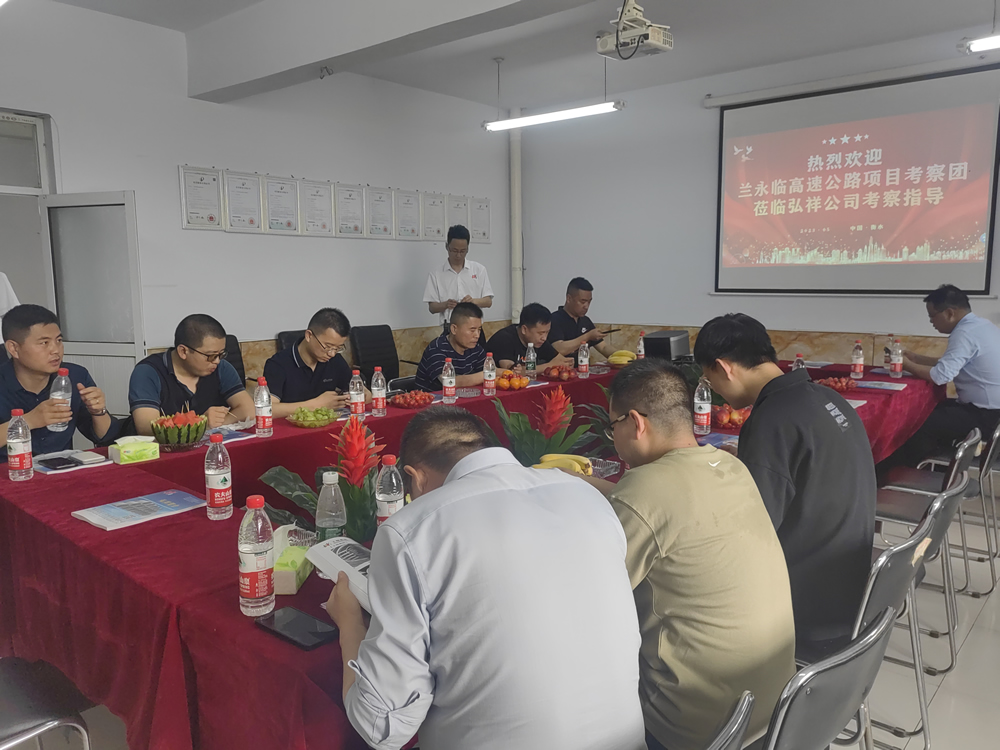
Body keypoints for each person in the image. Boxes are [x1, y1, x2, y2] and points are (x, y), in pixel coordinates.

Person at [325, 406, 646, 750]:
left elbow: (383, 727)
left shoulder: (412, 529)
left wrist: (350, 625)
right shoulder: (587, 496)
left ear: (415, 478)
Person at [576, 360, 796, 750]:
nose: (614, 439)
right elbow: (666, 505)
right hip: (779, 712)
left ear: (635, 423)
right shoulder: (729, 465)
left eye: (613, 427)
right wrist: (594, 485)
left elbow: (588, 598)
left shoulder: (645, 491)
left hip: (699, 727)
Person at [694, 313, 876, 660]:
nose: (712, 388)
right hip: (851, 585)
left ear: (724, 367)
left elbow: (753, 531)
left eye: (708, 378)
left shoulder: (771, 420)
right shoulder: (824, 397)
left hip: (807, 606)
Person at [883, 284, 1000, 471]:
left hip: (986, 416)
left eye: (932, 316)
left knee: (915, 422)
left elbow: (940, 376)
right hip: (991, 412)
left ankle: (913, 474)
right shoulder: (982, 326)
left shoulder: (964, 333)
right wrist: (917, 358)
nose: (931, 322)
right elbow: (954, 364)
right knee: (927, 409)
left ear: (950, 313)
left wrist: (904, 364)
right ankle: (933, 467)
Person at [1, 304, 119, 457]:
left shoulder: (76, 376)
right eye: (44, 343)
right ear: (14, 348)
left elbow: (105, 437)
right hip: (10, 470)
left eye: (59, 340)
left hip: (61, 467)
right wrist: (29, 421)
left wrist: (98, 412)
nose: (56, 350)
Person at [128, 314, 253, 436]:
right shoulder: (148, 372)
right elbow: (146, 428)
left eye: (221, 354)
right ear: (183, 351)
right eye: (211, 355)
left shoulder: (221, 368)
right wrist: (199, 424)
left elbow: (248, 410)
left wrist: (215, 424)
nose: (217, 361)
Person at [262, 308, 370, 418]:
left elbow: (366, 394)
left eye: (338, 348)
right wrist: (315, 405)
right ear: (309, 336)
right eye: (327, 346)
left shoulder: (335, 360)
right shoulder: (278, 364)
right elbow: (267, 409)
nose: (332, 353)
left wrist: (360, 396)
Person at [423, 225, 493, 329]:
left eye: (462, 251)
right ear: (447, 247)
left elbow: (488, 301)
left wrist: (473, 301)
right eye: (455, 250)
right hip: (450, 327)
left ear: (467, 249)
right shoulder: (436, 273)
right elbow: (432, 308)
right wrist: (446, 304)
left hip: (474, 328)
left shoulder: (479, 270)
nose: (458, 255)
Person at [414, 302, 486, 391]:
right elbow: (450, 382)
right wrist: (488, 374)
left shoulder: (476, 349)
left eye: (479, 330)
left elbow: (488, 369)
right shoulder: (436, 349)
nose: (477, 335)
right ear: (454, 329)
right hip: (432, 399)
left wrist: (500, 372)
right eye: (472, 330)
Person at [485, 302, 573, 372]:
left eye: (547, 332)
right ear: (524, 329)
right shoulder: (504, 339)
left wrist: (567, 363)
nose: (544, 338)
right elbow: (513, 372)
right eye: (540, 333)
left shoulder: (539, 341)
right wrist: (550, 365)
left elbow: (560, 360)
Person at [549, 277, 616, 363]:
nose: (586, 306)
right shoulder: (554, 319)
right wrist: (588, 336)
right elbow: (558, 349)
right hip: (562, 369)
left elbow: (603, 347)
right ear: (569, 298)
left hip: (584, 369)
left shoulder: (585, 321)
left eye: (589, 302)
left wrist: (624, 356)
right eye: (583, 302)